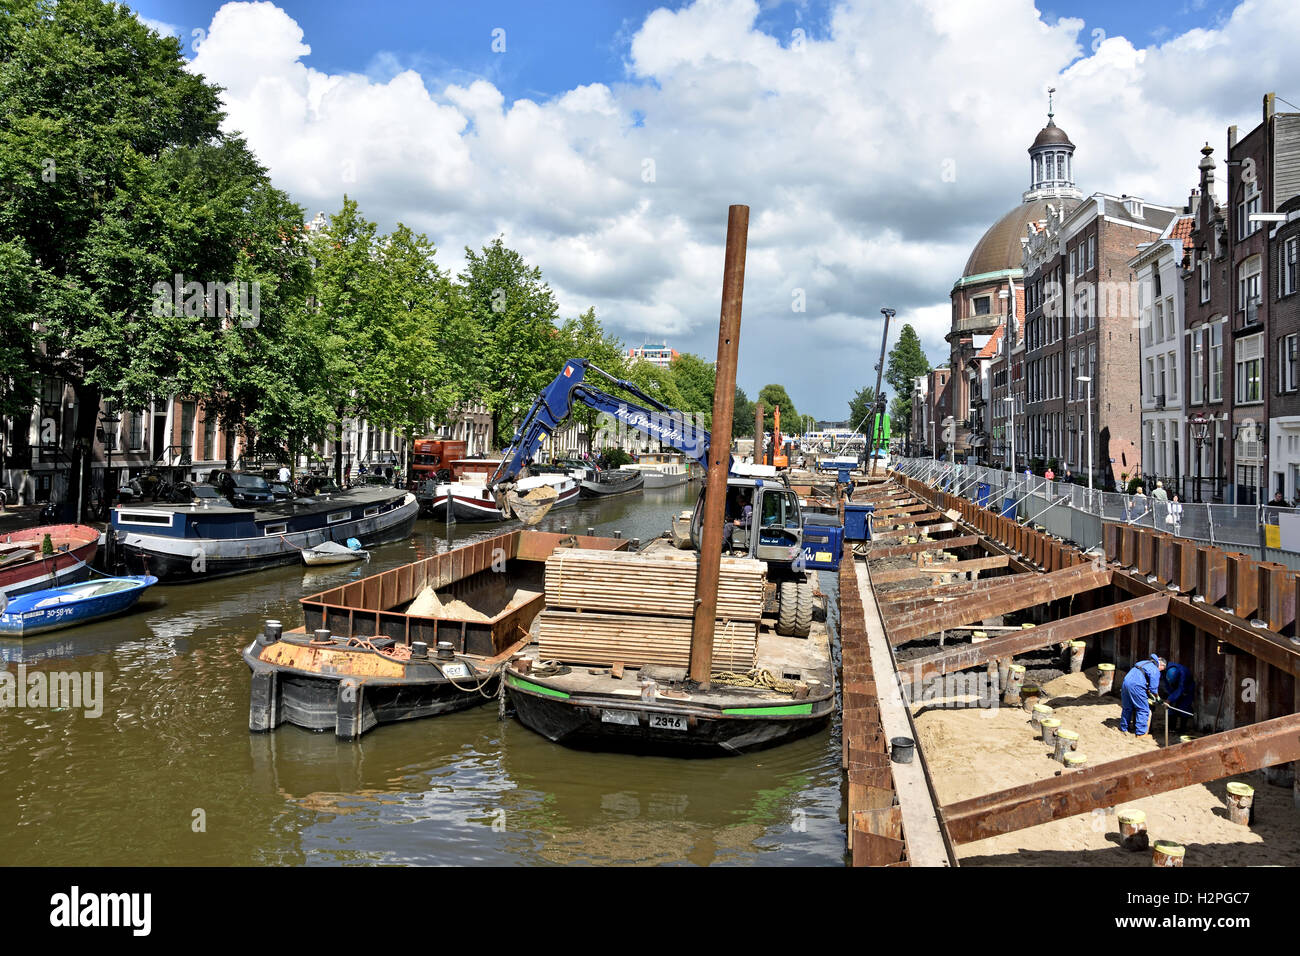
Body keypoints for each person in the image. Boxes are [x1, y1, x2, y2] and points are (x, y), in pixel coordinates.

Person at [1120, 654, 1165, 736]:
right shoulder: (1155, 670)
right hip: (1136, 686)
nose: (1161, 671)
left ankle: (1124, 728)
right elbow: (1153, 689)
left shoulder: (1144, 662)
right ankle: (1141, 733)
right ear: (1161, 664)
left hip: (1125, 682)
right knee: (1143, 709)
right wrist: (1157, 698)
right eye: (1162, 669)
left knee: (1127, 707)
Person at [1160, 660, 1195, 733]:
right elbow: (1167, 685)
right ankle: (1171, 728)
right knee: (1171, 707)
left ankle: (1182, 729)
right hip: (1174, 687)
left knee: (1184, 707)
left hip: (1187, 688)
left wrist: (1170, 699)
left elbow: (1181, 689)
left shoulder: (1183, 674)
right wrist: (1170, 696)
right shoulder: (1165, 671)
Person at [721, 488, 752, 552]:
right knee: (726, 524)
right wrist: (732, 519)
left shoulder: (747, 508)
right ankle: (728, 545)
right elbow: (742, 519)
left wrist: (739, 523)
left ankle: (722, 544)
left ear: (741, 501)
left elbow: (750, 522)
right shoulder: (743, 507)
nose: (737, 503)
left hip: (746, 527)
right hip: (743, 525)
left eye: (738, 501)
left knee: (728, 526)